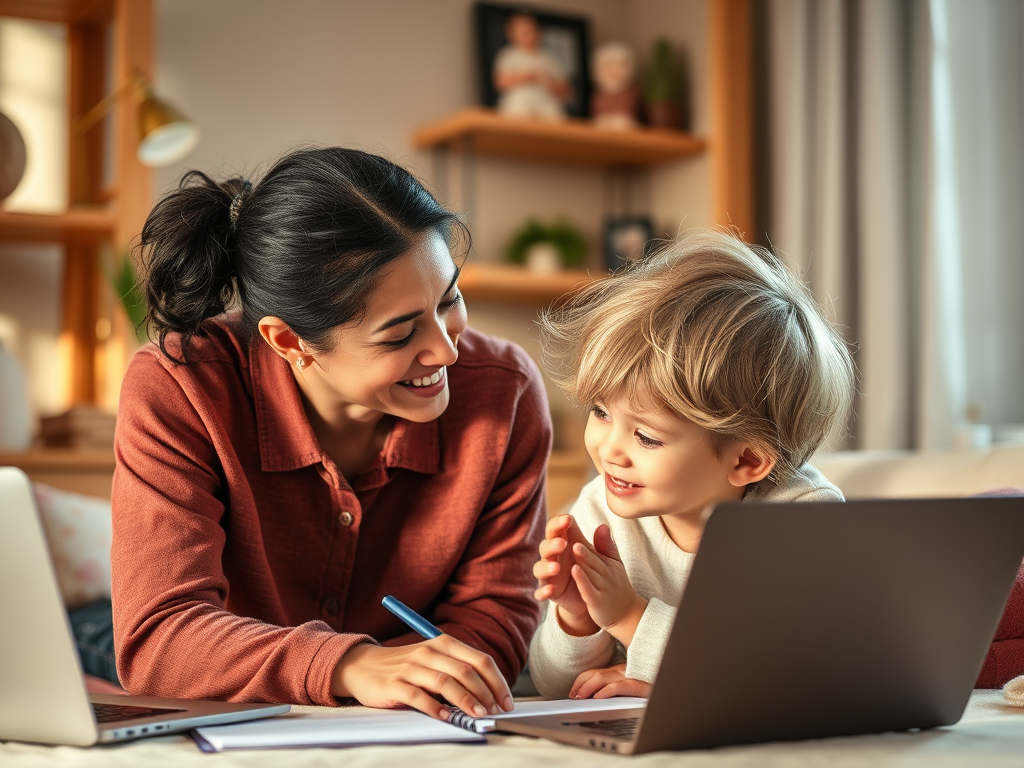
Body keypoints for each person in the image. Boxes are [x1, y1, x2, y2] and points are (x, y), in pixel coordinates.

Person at [110, 146, 551, 720]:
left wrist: (401, 679)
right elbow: (160, 640)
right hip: (179, 646)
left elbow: (495, 616)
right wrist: (350, 667)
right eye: (398, 335)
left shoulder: (505, 391)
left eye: (450, 300)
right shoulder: (180, 386)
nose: (447, 349)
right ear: (289, 342)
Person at [527, 228, 855, 699]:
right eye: (600, 412)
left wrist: (627, 617)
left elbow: (793, 673)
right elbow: (556, 690)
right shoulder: (602, 507)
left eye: (645, 436)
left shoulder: (801, 520)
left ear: (746, 460)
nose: (608, 450)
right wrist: (577, 618)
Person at [493, 11, 570, 120]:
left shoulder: (549, 58)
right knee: (518, 110)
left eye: (532, 31)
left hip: (545, 99)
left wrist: (549, 83)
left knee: (555, 115)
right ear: (512, 35)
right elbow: (501, 81)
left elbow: (565, 89)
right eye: (524, 33)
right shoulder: (509, 55)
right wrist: (525, 77)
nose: (530, 36)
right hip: (521, 100)